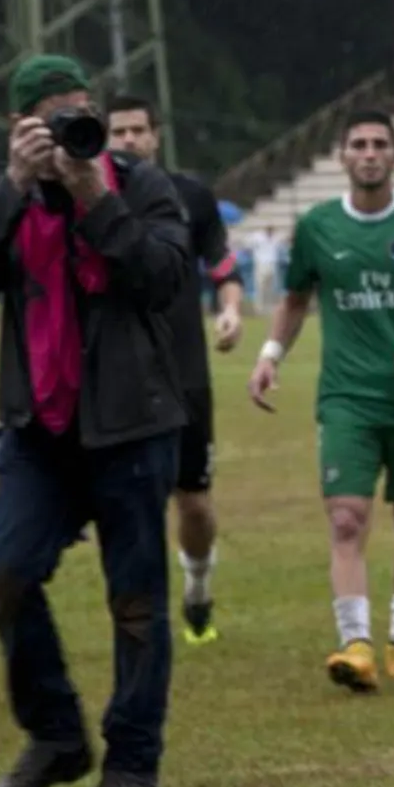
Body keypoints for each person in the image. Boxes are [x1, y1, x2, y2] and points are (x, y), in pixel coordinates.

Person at [0, 54, 190, 787]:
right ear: (21, 126)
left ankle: (132, 764)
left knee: (135, 602)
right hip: (38, 429)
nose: (67, 132)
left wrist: (94, 194)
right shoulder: (8, 193)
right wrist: (13, 183)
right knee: (8, 571)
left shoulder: (139, 183)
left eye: (76, 115)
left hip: (130, 425)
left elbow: (160, 278)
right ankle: (56, 736)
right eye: (49, 120)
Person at [247, 110, 394, 688]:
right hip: (347, 400)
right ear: (343, 157)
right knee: (347, 520)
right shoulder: (319, 227)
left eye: (380, 144)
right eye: (359, 144)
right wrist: (271, 354)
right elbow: (296, 299)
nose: (369, 153)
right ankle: (357, 646)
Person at [107, 94, 246, 645]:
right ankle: (142, 619)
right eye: (118, 132)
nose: (129, 141)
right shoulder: (92, 200)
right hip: (117, 377)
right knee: (129, 504)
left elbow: (223, 265)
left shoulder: (190, 196)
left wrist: (231, 309)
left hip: (184, 374)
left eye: (139, 130)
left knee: (193, 501)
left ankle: (197, 584)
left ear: (156, 136)